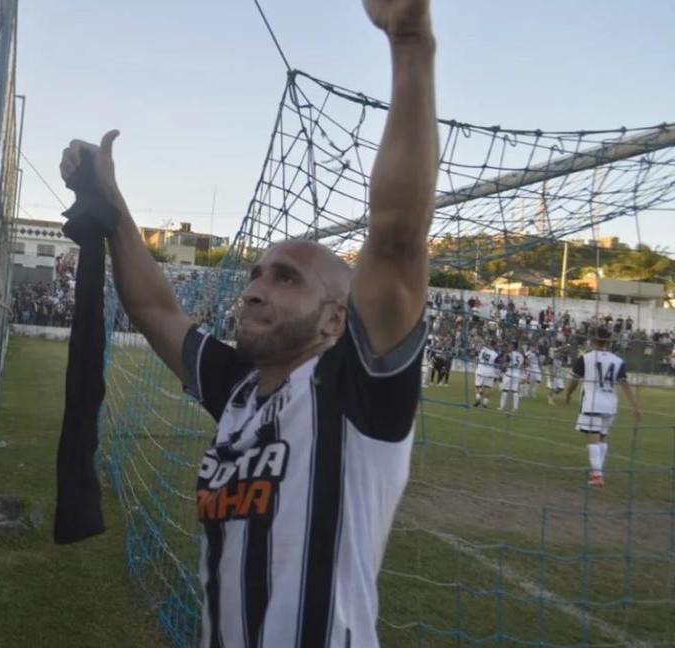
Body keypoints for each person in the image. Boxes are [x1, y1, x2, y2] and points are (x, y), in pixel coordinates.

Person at [60, 0, 437, 643]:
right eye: (258, 274)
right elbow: (155, 309)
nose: (256, 289)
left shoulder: (355, 390)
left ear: (334, 320)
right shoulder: (239, 385)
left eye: (286, 278)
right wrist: (113, 201)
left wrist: (409, 41)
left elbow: (398, 237)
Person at [565, 327, 641, 487]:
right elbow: (625, 384)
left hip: (593, 402)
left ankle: (597, 474)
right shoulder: (617, 360)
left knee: (593, 439)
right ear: (609, 341)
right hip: (610, 404)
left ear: (592, 340)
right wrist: (635, 406)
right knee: (602, 437)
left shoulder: (585, 358)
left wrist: (569, 394)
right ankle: (597, 471)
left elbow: (575, 380)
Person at [497, 341, 524, 412]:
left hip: (509, 374)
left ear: (513, 347)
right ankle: (515, 408)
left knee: (505, 390)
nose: (509, 347)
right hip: (517, 374)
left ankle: (502, 406)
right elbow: (521, 365)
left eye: (510, 346)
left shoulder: (509, 354)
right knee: (515, 391)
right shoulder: (521, 356)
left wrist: (503, 358)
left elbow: (504, 361)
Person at [474, 339, 499, 408]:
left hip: (480, 370)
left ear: (489, 344)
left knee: (477, 386)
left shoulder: (483, 350)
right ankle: (485, 402)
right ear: (495, 345)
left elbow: (479, 358)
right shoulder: (496, 354)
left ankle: (478, 397)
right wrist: (496, 375)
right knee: (488, 387)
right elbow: (496, 364)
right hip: (490, 372)